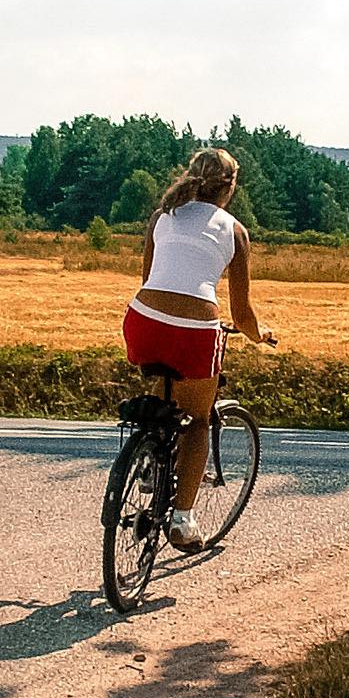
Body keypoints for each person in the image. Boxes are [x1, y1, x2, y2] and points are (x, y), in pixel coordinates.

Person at [123, 147, 270, 548]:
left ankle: (150, 459)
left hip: (142, 320)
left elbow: (153, 281)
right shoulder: (235, 231)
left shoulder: (162, 216)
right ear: (231, 187)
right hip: (194, 330)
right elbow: (242, 315)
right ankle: (183, 521)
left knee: (161, 380)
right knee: (200, 420)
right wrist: (260, 335)